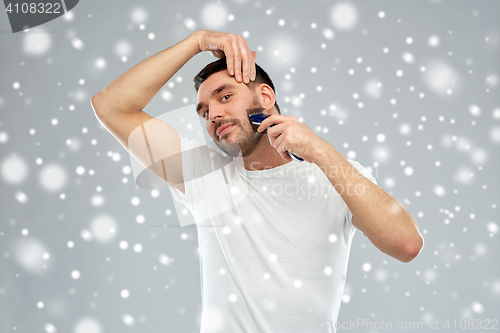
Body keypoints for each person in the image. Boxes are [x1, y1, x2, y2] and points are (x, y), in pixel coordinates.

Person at [91, 30, 424, 333]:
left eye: (224, 97)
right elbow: (111, 108)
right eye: (204, 112)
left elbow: (406, 245)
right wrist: (197, 42)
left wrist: (320, 151)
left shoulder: (334, 174)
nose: (214, 115)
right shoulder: (205, 175)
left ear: (265, 96)